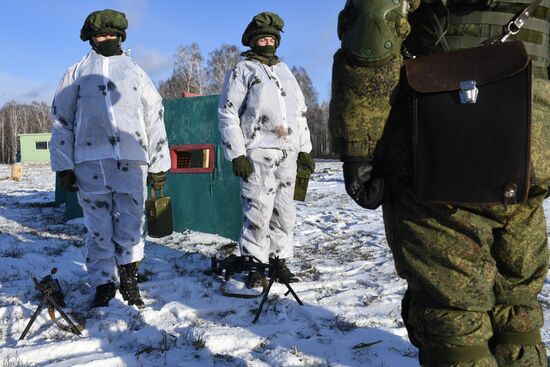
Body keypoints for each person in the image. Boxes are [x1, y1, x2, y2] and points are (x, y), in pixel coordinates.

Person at [330, 0, 550, 366]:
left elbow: (375, 17)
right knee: (517, 305)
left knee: (452, 313)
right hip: (532, 135)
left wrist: (360, 148)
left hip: (439, 131)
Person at [50, 9, 171, 309]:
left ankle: (129, 282)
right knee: (98, 227)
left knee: (131, 224)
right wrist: (64, 165)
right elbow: (61, 119)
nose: (106, 39)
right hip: (90, 163)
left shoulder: (136, 73)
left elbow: (154, 117)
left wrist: (158, 164)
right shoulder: (76, 74)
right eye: (100, 35)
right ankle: (104, 284)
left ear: (121, 37)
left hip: (131, 161)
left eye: (111, 35)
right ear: (91, 38)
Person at [218, 11, 315, 283]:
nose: (267, 43)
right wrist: (237, 153)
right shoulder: (243, 70)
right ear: (252, 41)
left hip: (287, 153)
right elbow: (227, 112)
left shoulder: (285, 71)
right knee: (258, 210)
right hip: (258, 151)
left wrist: (305, 149)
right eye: (262, 39)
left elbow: (300, 113)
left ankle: (278, 261)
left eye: (272, 38)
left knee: (285, 211)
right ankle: (255, 266)